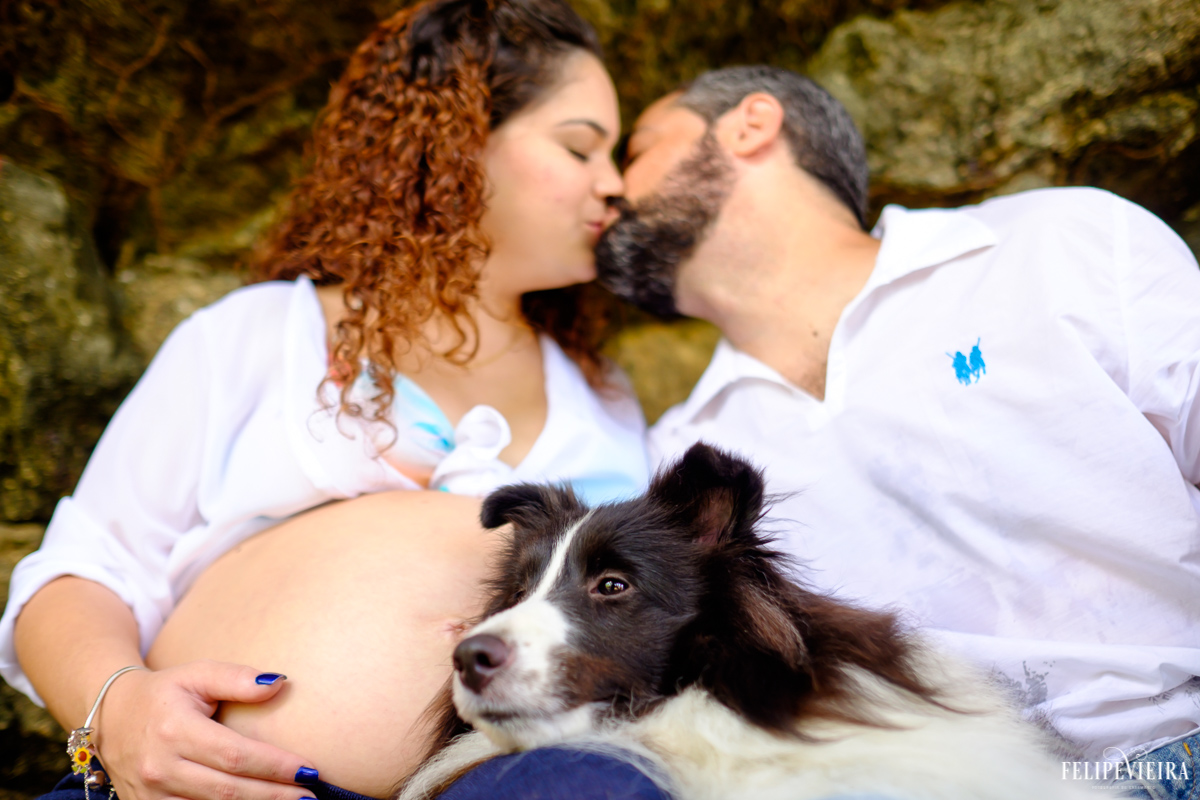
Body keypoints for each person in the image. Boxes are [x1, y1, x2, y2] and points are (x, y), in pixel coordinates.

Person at [0, 2, 663, 799]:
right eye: (579, 145)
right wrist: (119, 709)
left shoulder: (606, 401)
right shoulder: (257, 335)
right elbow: (82, 570)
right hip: (206, 784)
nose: (615, 184)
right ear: (456, 145)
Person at [595, 65, 1200, 799]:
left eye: (634, 151)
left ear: (751, 125)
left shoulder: (1055, 244)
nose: (607, 189)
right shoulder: (687, 459)